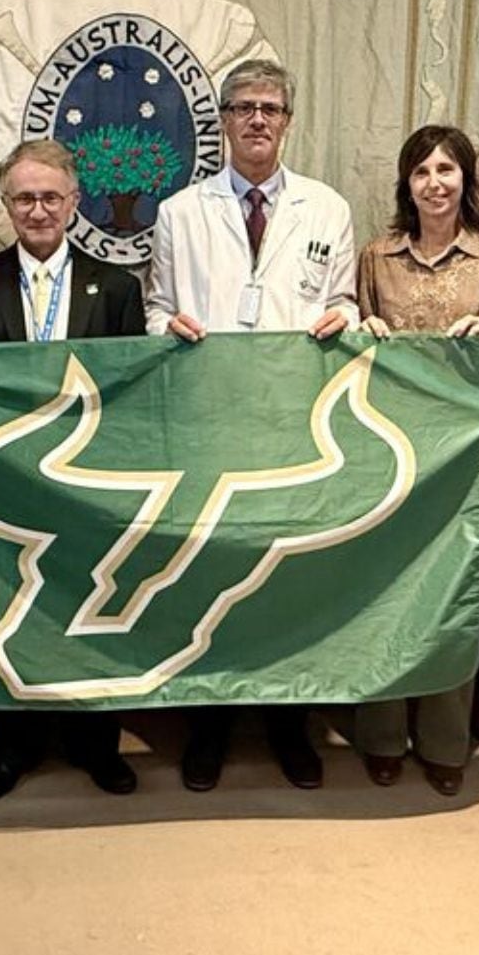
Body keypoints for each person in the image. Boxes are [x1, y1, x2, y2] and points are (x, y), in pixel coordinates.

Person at [142, 57, 356, 792]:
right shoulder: (179, 211)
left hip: (292, 414)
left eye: (270, 107)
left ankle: (287, 720)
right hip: (210, 416)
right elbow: (154, 309)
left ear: (288, 121)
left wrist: (346, 316)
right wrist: (168, 323)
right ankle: (210, 721)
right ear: (223, 120)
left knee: (286, 571)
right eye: (242, 107)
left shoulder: (326, 208)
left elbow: (348, 303)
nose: (257, 119)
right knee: (210, 570)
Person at [0, 140, 145, 799]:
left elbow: (134, 395)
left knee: (94, 607)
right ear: (6, 204)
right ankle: (13, 745)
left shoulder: (116, 286)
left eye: (50, 197)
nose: (38, 210)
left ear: (74, 201)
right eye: (25, 197)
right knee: (12, 609)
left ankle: (99, 744)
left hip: (90, 481)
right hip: (7, 484)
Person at [353, 124, 479, 796]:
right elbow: (347, 353)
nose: (434, 181)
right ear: (406, 182)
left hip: (462, 453)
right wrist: (362, 331)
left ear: (466, 180)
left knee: (453, 593)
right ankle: (380, 734)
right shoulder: (377, 257)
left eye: (446, 170)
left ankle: (445, 740)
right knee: (386, 589)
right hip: (387, 448)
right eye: (421, 170)